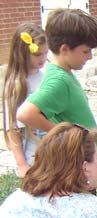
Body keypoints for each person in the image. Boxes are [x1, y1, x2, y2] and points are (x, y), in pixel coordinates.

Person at [16, 8, 97, 132]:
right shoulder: (59, 81)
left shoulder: (61, 73)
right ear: (65, 49)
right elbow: (25, 113)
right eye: (85, 51)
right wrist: (63, 136)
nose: (90, 57)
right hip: (77, 151)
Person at [2, 23, 48, 178]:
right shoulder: (16, 84)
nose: (43, 58)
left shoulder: (46, 76)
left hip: (51, 147)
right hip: (32, 154)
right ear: (22, 53)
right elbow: (12, 128)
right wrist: (22, 165)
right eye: (38, 55)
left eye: (45, 53)